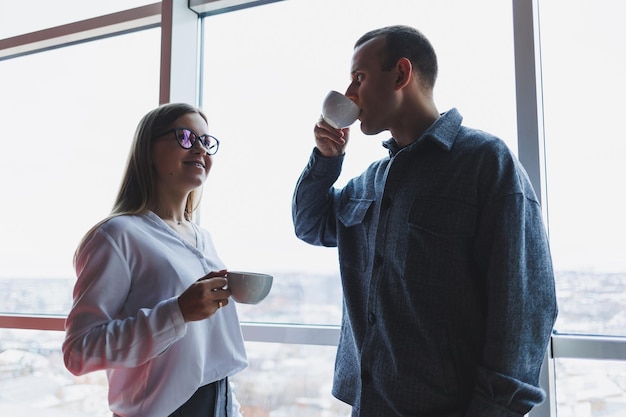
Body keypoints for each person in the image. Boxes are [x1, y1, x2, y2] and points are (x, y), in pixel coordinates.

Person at [292, 25, 558, 417]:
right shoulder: (371, 181)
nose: (349, 95)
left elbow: (524, 311)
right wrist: (327, 158)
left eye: (359, 78)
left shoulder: (485, 162)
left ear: (401, 74)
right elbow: (310, 224)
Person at [63, 103, 247, 417]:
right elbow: (79, 352)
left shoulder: (203, 238)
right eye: (186, 137)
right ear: (148, 151)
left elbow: (207, 357)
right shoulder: (118, 235)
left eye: (206, 141)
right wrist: (176, 313)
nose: (200, 148)